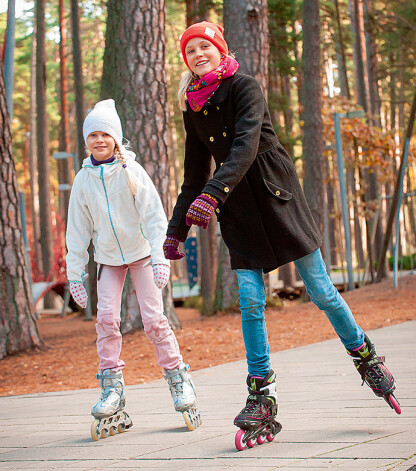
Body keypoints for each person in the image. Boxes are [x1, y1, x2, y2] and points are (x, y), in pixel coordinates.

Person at [163, 21, 400, 447]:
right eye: (190, 50)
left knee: (321, 290)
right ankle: (261, 392)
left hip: (277, 198)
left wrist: (213, 193)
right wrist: (176, 229)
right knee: (251, 302)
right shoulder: (192, 107)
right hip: (238, 212)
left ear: (220, 49)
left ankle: (364, 356)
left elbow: (246, 145)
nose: (198, 54)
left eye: (205, 47)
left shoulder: (245, 86)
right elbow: (193, 173)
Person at [66, 99, 201, 436]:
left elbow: (155, 218)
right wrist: (74, 273)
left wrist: (159, 258)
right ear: (87, 141)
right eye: (92, 135)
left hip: (142, 255)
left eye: (105, 134)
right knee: (107, 320)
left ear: (115, 138)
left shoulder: (132, 172)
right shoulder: (83, 180)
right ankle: (112, 389)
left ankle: (179, 380)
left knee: (154, 319)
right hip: (108, 260)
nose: (99, 140)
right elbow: (77, 231)